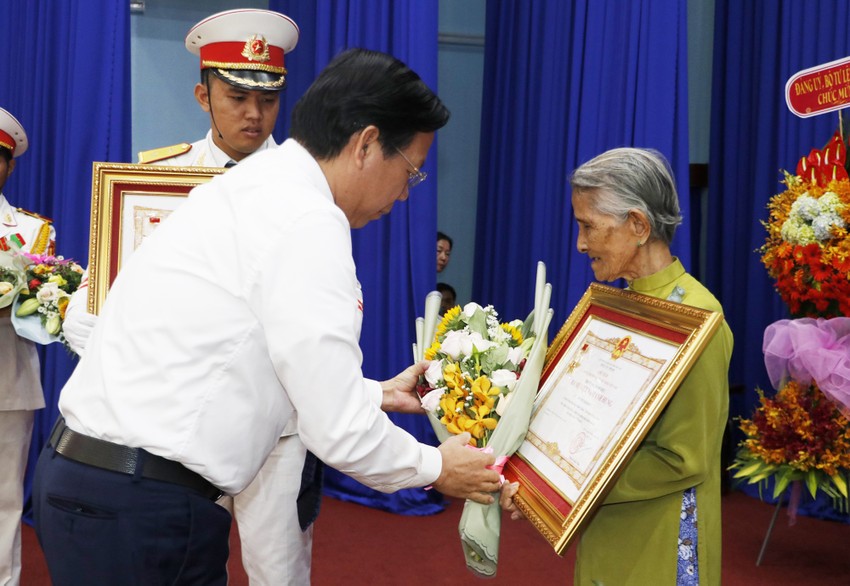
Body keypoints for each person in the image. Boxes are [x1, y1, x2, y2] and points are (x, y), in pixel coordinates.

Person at [33, 48, 501, 585]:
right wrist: (438, 468)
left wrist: (372, 393)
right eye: (410, 173)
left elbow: (229, 355)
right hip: (141, 509)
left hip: (88, 482)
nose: (403, 195)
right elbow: (341, 433)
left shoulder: (253, 187)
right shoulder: (307, 220)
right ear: (367, 145)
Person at [60, 9, 319, 585]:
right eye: (236, 97)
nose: (254, 114)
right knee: (185, 564)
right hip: (177, 429)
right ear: (203, 95)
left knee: (280, 569)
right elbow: (91, 306)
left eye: (269, 99)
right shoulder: (154, 186)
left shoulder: (307, 192)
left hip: (273, 420)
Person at [501, 148, 733, 584]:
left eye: (588, 226)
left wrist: (573, 488)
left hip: (659, 540)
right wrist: (536, 479)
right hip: (606, 529)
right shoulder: (616, 305)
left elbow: (685, 459)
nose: (580, 243)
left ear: (639, 225)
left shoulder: (700, 317)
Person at [0, 107, 56, 586]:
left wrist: (15, 307)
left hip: (8, 381)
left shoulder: (31, 231)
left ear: (10, 166)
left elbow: (46, 322)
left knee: (3, 500)